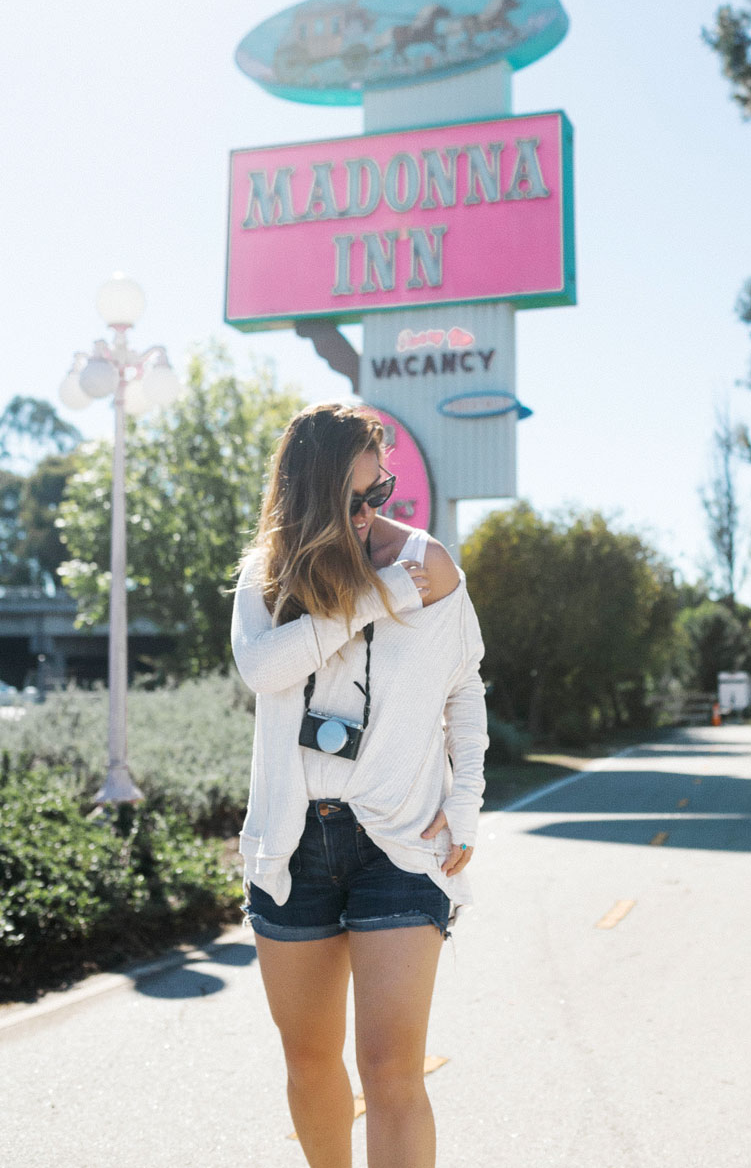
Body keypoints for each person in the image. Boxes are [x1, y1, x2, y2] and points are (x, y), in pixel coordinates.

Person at [230, 401, 489, 1168]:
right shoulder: (266, 575)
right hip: (292, 843)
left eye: (385, 489)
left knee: (391, 1071)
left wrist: (466, 807)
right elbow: (265, 670)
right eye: (360, 497)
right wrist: (376, 598)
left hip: (398, 840)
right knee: (310, 1066)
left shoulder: (427, 563)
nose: (378, 510)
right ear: (311, 495)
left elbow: (464, 687)